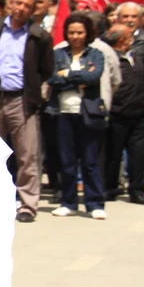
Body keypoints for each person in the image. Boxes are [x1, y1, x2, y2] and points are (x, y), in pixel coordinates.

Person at [0, 0, 54, 223]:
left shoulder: (38, 36)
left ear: (33, 10)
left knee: (27, 155)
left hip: (22, 100)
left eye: (27, 5)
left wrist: (35, 95)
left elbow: (46, 70)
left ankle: (27, 204)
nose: (21, 8)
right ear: (11, 4)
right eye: (18, 3)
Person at [47, 13, 108, 219]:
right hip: (63, 112)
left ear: (87, 33)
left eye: (80, 32)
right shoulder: (58, 54)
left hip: (88, 112)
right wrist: (77, 79)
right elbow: (53, 79)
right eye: (72, 32)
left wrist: (68, 75)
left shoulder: (96, 54)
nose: (75, 36)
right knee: (67, 161)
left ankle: (95, 203)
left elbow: (94, 76)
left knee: (90, 161)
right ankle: (69, 202)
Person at [102, 25, 144, 204]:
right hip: (118, 113)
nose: (133, 39)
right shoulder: (110, 57)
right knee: (113, 154)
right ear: (122, 39)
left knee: (138, 153)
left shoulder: (136, 56)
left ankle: (137, 190)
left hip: (140, 113)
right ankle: (110, 188)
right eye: (130, 36)